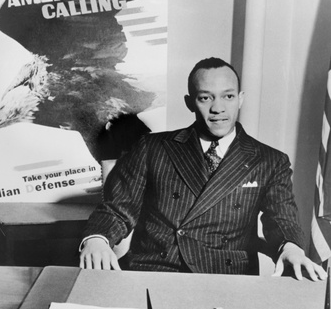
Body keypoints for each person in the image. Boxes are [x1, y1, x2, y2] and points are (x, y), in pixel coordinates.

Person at [79, 57, 326, 281]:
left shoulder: (270, 161)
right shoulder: (152, 147)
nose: (218, 108)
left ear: (241, 98)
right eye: (205, 97)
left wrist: (290, 247)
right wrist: (97, 238)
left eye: (228, 97)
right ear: (190, 102)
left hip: (226, 279)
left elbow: (281, 219)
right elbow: (117, 209)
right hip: (155, 272)